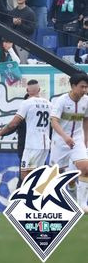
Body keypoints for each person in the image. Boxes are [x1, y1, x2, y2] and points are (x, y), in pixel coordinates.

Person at [0, 80, 65, 182]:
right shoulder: (49, 104)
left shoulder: (26, 103)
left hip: (32, 145)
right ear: (39, 90)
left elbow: (14, 123)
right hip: (45, 146)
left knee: (25, 176)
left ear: (27, 91)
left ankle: (31, 196)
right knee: (38, 175)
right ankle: (39, 196)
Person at [50, 72, 88, 212]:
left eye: (86, 87)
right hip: (60, 141)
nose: (84, 90)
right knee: (59, 174)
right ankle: (71, 189)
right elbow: (54, 121)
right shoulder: (61, 100)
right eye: (82, 87)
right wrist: (65, 137)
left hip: (77, 139)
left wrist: (85, 141)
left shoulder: (86, 101)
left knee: (85, 168)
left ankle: (82, 204)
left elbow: (86, 120)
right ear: (73, 86)